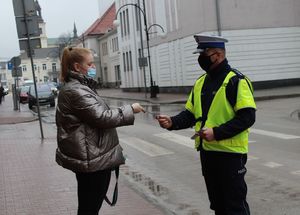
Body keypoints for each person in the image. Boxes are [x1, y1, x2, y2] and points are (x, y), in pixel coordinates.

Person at [156, 35, 256, 215]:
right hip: (208, 153)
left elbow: (247, 117)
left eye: (204, 54)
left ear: (217, 55)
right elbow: (191, 114)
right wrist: (172, 122)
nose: (200, 59)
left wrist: (216, 133)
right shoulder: (201, 82)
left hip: (230, 155)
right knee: (218, 204)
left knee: (234, 206)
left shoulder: (236, 80)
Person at [55, 47, 145, 215]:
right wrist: (130, 109)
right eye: (89, 64)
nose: (93, 67)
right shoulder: (76, 91)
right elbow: (102, 117)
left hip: (92, 157)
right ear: (76, 67)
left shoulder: (80, 88)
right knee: (89, 208)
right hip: (92, 160)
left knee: (89, 207)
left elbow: (96, 115)